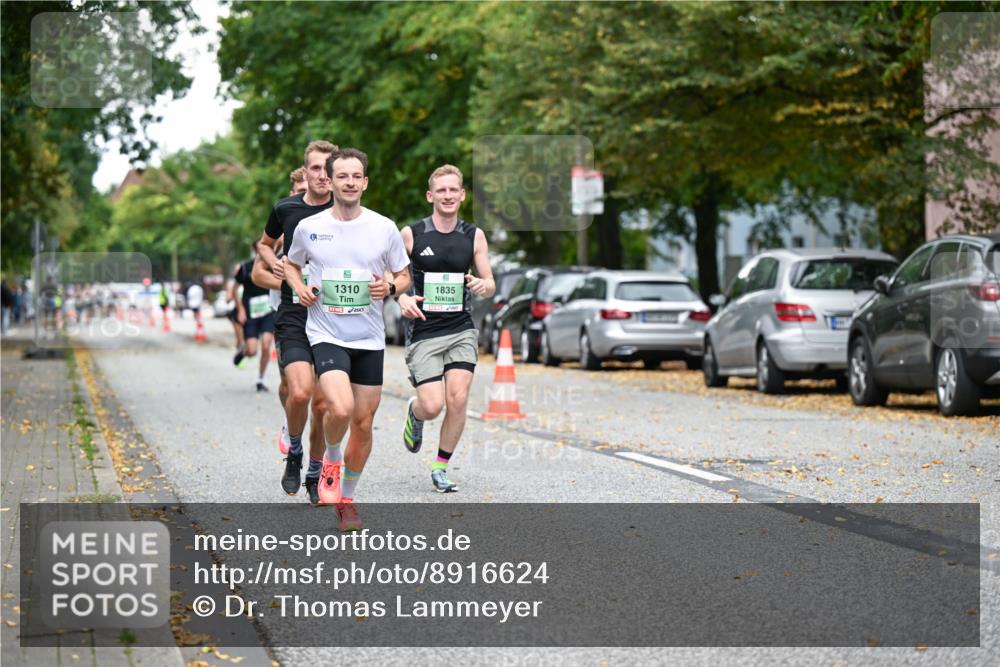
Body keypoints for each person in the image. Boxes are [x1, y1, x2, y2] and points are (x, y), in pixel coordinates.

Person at [286, 147, 410, 531]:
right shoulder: (310, 227)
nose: (350, 182)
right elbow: (291, 264)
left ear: (365, 182)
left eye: (356, 176)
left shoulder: (384, 227)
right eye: (342, 176)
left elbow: (404, 275)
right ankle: (331, 459)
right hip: (326, 332)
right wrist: (299, 288)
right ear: (331, 181)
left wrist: (390, 286)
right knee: (339, 409)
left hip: (369, 338)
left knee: (364, 422)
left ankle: (347, 500)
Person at [396, 165, 495, 492]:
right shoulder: (412, 234)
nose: (448, 195)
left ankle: (440, 467)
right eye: (441, 190)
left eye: (453, 190)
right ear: (431, 196)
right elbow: (390, 277)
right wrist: (401, 298)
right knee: (432, 404)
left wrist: (483, 285)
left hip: (461, 328)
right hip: (424, 330)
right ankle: (415, 412)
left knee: (458, 398)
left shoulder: (474, 235)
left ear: (462, 195)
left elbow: (490, 282)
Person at [258, 141, 337, 504]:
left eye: (328, 169)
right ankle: (294, 450)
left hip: (333, 316)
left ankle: (315, 471)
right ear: (305, 172)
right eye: (316, 168)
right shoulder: (286, 209)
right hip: (293, 313)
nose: (323, 175)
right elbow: (264, 243)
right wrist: (274, 262)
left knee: (322, 405)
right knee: (300, 392)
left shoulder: (344, 212)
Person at [234, 241, 276, 392]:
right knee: (252, 351)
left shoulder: (273, 266)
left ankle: (260, 379)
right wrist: (240, 309)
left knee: (266, 344)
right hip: (250, 313)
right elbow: (235, 289)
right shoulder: (245, 267)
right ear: (255, 250)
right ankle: (243, 352)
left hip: (268, 312)